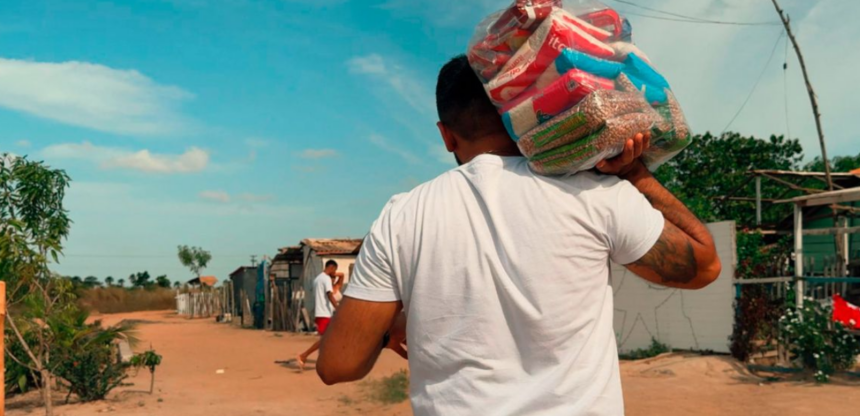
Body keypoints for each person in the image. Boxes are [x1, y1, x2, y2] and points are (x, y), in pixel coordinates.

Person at [317, 55, 721, 415]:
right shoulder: (593, 192)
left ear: (446, 135)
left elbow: (338, 365)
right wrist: (635, 174)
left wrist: (393, 325)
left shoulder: (403, 216)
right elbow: (704, 266)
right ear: (524, 111)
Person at [296, 260, 342, 371]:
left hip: (320, 313)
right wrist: (338, 308)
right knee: (326, 339)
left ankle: (328, 361)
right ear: (331, 267)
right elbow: (329, 295)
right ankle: (303, 355)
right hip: (324, 313)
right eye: (334, 270)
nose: (334, 273)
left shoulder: (317, 279)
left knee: (330, 339)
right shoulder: (325, 279)